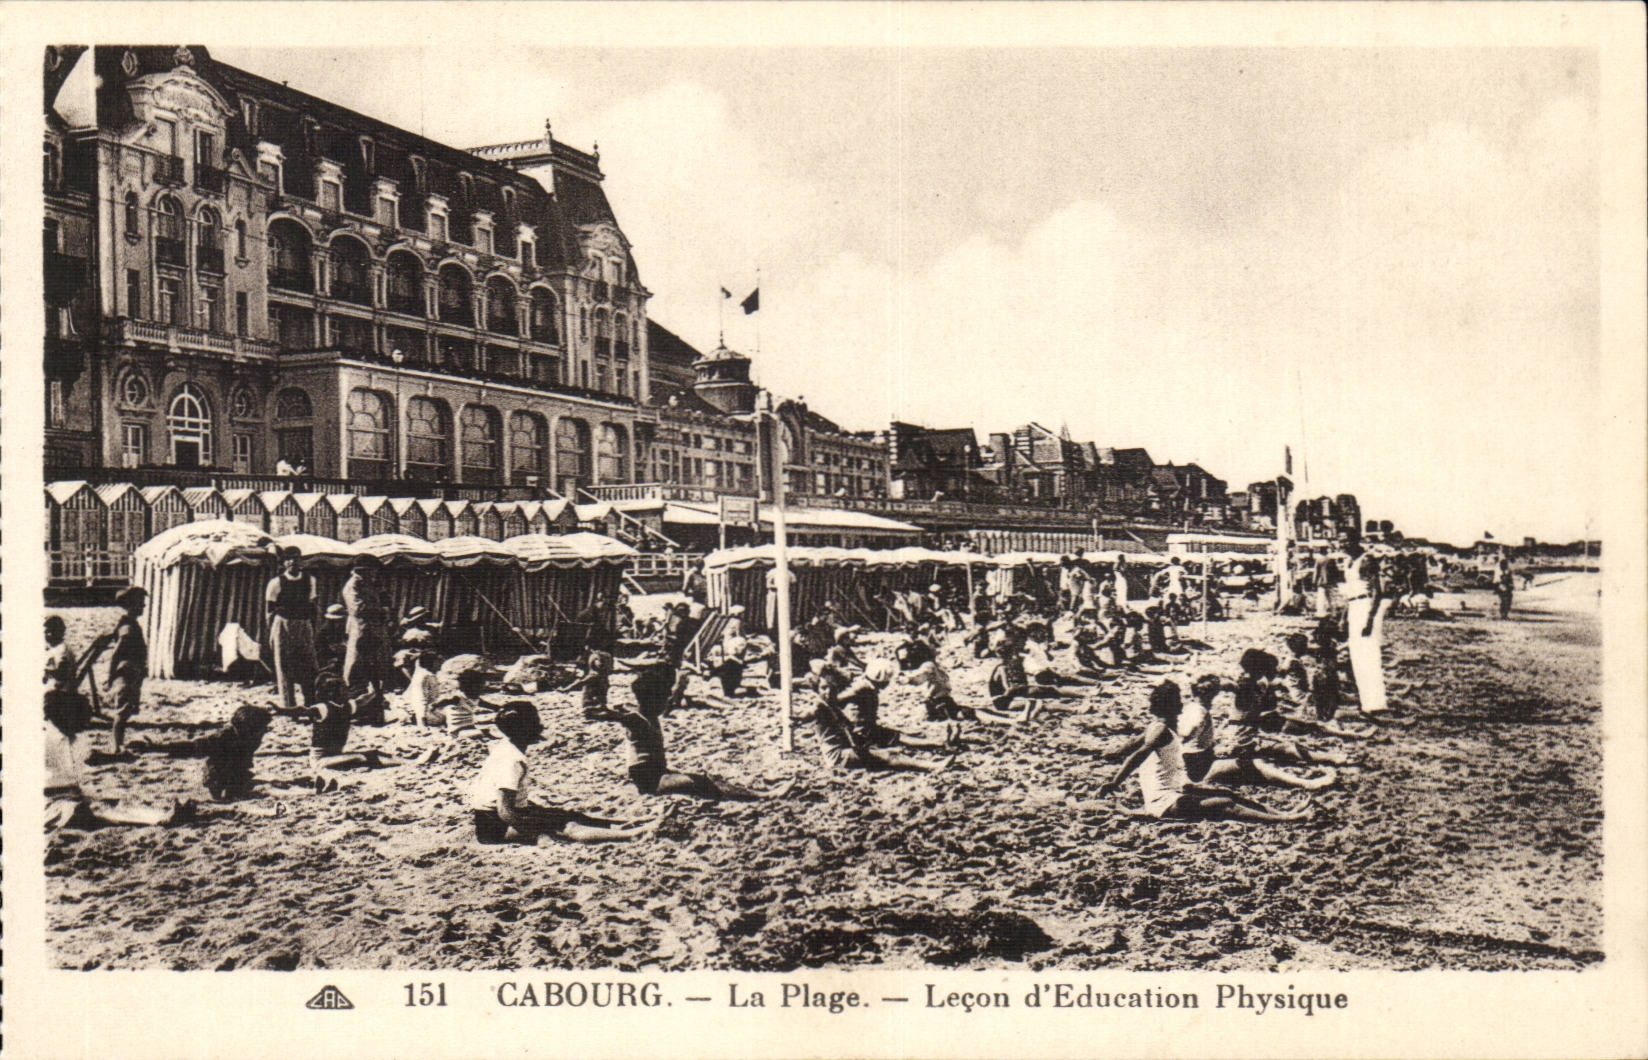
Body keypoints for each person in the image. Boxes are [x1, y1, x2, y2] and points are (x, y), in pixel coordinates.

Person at [1097, 681, 1311, 822]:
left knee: (1228, 795)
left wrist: (1111, 754)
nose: (1182, 703)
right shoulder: (1160, 729)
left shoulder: (1158, 728)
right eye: (1178, 699)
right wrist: (1115, 782)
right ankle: (1288, 819)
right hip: (1164, 803)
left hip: (1175, 793)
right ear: (1170, 705)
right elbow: (1138, 754)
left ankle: (1284, 813)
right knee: (1226, 805)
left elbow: (1129, 747)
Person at [586, 663, 792, 800]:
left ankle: (758, 793)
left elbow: (670, 699)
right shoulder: (635, 718)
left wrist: (679, 682)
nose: (665, 704)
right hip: (650, 781)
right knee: (704, 783)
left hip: (659, 773)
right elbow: (605, 715)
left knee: (707, 780)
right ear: (652, 699)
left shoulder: (649, 712)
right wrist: (601, 704)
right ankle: (763, 796)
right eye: (662, 699)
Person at [470, 701, 661, 844]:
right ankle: (633, 834)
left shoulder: (506, 747)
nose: (539, 725)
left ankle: (623, 824)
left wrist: (539, 813)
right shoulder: (511, 760)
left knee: (566, 815)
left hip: (497, 816)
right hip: (495, 828)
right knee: (566, 827)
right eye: (535, 721)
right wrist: (538, 832)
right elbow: (505, 811)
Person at [45, 690, 194, 830]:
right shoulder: (43, 741)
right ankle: (160, 819)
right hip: (49, 801)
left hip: (75, 794)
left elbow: (91, 758)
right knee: (80, 811)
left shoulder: (74, 738)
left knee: (110, 805)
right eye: (79, 722)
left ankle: (160, 817)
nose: (83, 727)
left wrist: (121, 757)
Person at [809, 659, 952, 773]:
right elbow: (840, 700)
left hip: (861, 732)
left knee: (898, 738)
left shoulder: (864, 686)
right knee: (891, 752)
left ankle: (938, 745)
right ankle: (933, 761)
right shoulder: (862, 688)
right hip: (861, 734)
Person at [128, 705, 275, 803]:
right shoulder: (222, 738)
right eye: (261, 729)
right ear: (248, 729)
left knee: (241, 787)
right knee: (224, 793)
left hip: (238, 771)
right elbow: (192, 747)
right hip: (217, 774)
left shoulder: (252, 737)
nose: (264, 732)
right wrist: (154, 748)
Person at [82, 586, 149, 754]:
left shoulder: (128, 623)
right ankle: (116, 746)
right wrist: (111, 676)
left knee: (125, 711)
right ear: (131, 605)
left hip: (131, 672)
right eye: (140, 603)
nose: (143, 606)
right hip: (126, 673)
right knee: (122, 712)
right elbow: (117, 653)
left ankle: (118, 743)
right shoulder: (128, 627)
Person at [265, 545, 318, 713]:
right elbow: (269, 610)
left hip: (303, 624)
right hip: (283, 624)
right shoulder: (276, 583)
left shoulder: (310, 580)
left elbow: (312, 605)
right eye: (289, 559)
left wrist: (311, 627)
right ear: (284, 563)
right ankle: (289, 704)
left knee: (308, 664)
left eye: (296, 558)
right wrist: (274, 632)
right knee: (284, 664)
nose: (293, 562)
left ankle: (310, 700)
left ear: (301, 561)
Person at [1342, 542, 1388, 715]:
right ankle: (1365, 701)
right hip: (1353, 606)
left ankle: (1375, 702)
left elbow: (1377, 591)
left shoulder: (1367, 560)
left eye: (1345, 540)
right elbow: (1350, 591)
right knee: (1356, 655)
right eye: (1340, 541)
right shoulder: (1348, 562)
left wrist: (1370, 619)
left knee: (1369, 654)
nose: (1342, 544)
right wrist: (1343, 617)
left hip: (1366, 606)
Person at [341, 557, 389, 700]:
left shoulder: (372, 583)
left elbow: (385, 599)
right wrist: (381, 611)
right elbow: (358, 609)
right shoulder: (353, 585)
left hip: (375, 628)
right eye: (371, 571)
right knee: (357, 660)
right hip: (360, 627)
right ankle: (353, 693)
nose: (374, 574)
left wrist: (384, 609)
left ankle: (374, 694)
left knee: (377, 661)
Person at [1495, 554, 1515, 620]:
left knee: (1508, 601)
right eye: (1504, 565)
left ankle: (1505, 614)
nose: (1505, 566)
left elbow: (1511, 579)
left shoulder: (1508, 571)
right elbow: (1496, 581)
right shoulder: (1498, 571)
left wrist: (1511, 585)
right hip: (1501, 588)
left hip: (1508, 588)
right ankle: (1503, 615)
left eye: (1505, 565)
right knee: (1504, 601)